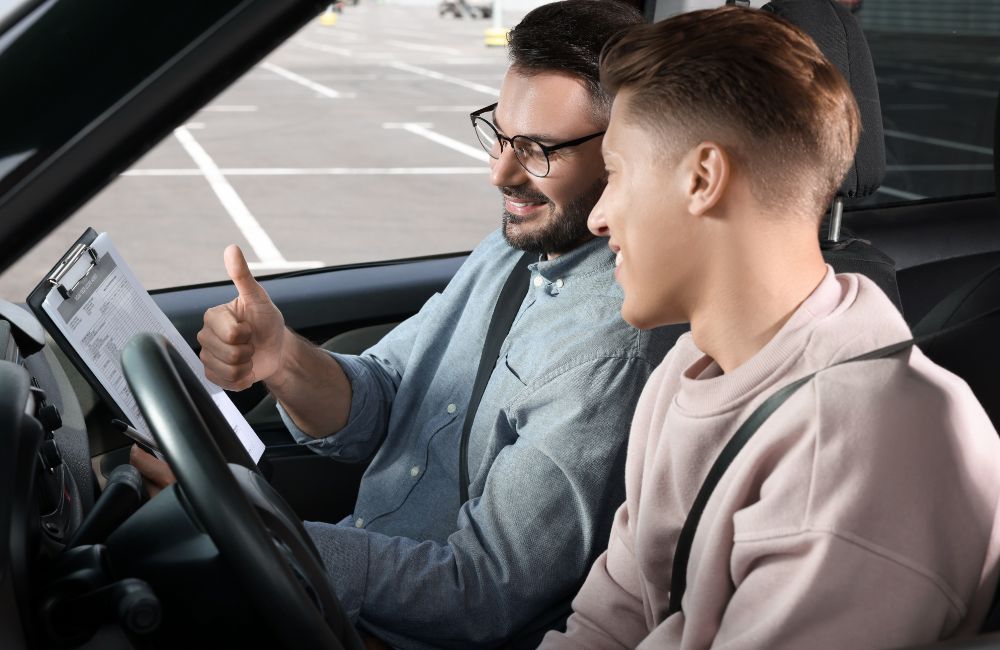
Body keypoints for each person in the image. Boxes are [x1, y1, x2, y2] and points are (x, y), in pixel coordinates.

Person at [132, 2, 683, 647]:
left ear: (624, 152)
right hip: (354, 597)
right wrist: (280, 358)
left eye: (537, 151)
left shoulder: (609, 347)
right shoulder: (511, 249)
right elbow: (387, 398)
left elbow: (483, 593)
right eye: (499, 135)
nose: (499, 172)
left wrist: (259, 532)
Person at [540, 7, 1000, 649]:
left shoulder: (855, 463)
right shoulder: (687, 366)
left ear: (703, 178)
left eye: (615, 174)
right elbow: (612, 615)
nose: (599, 218)